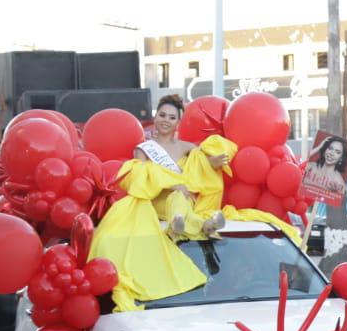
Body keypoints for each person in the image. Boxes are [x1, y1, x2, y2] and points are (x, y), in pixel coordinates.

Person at [90, 94, 237, 311]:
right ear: (155, 116)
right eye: (162, 115)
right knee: (175, 196)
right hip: (155, 202)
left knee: (178, 200)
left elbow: (200, 167)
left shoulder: (187, 148)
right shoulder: (144, 149)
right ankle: (198, 225)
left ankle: (185, 223)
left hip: (181, 203)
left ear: (178, 122)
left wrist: (212, 162)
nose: (165, 120)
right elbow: (140, 178)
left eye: (171, 117)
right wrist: (170, 183)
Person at [302, 136, 347, 203]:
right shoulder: (311, 166)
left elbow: (342, 206)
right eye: (330, 148)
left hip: (317, 213)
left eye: (337, 152)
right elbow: (301, 162)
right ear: (325, 150)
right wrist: (319, 147)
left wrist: (334, 194)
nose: (331, 153)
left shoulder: (338, 182)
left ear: (341, 158)